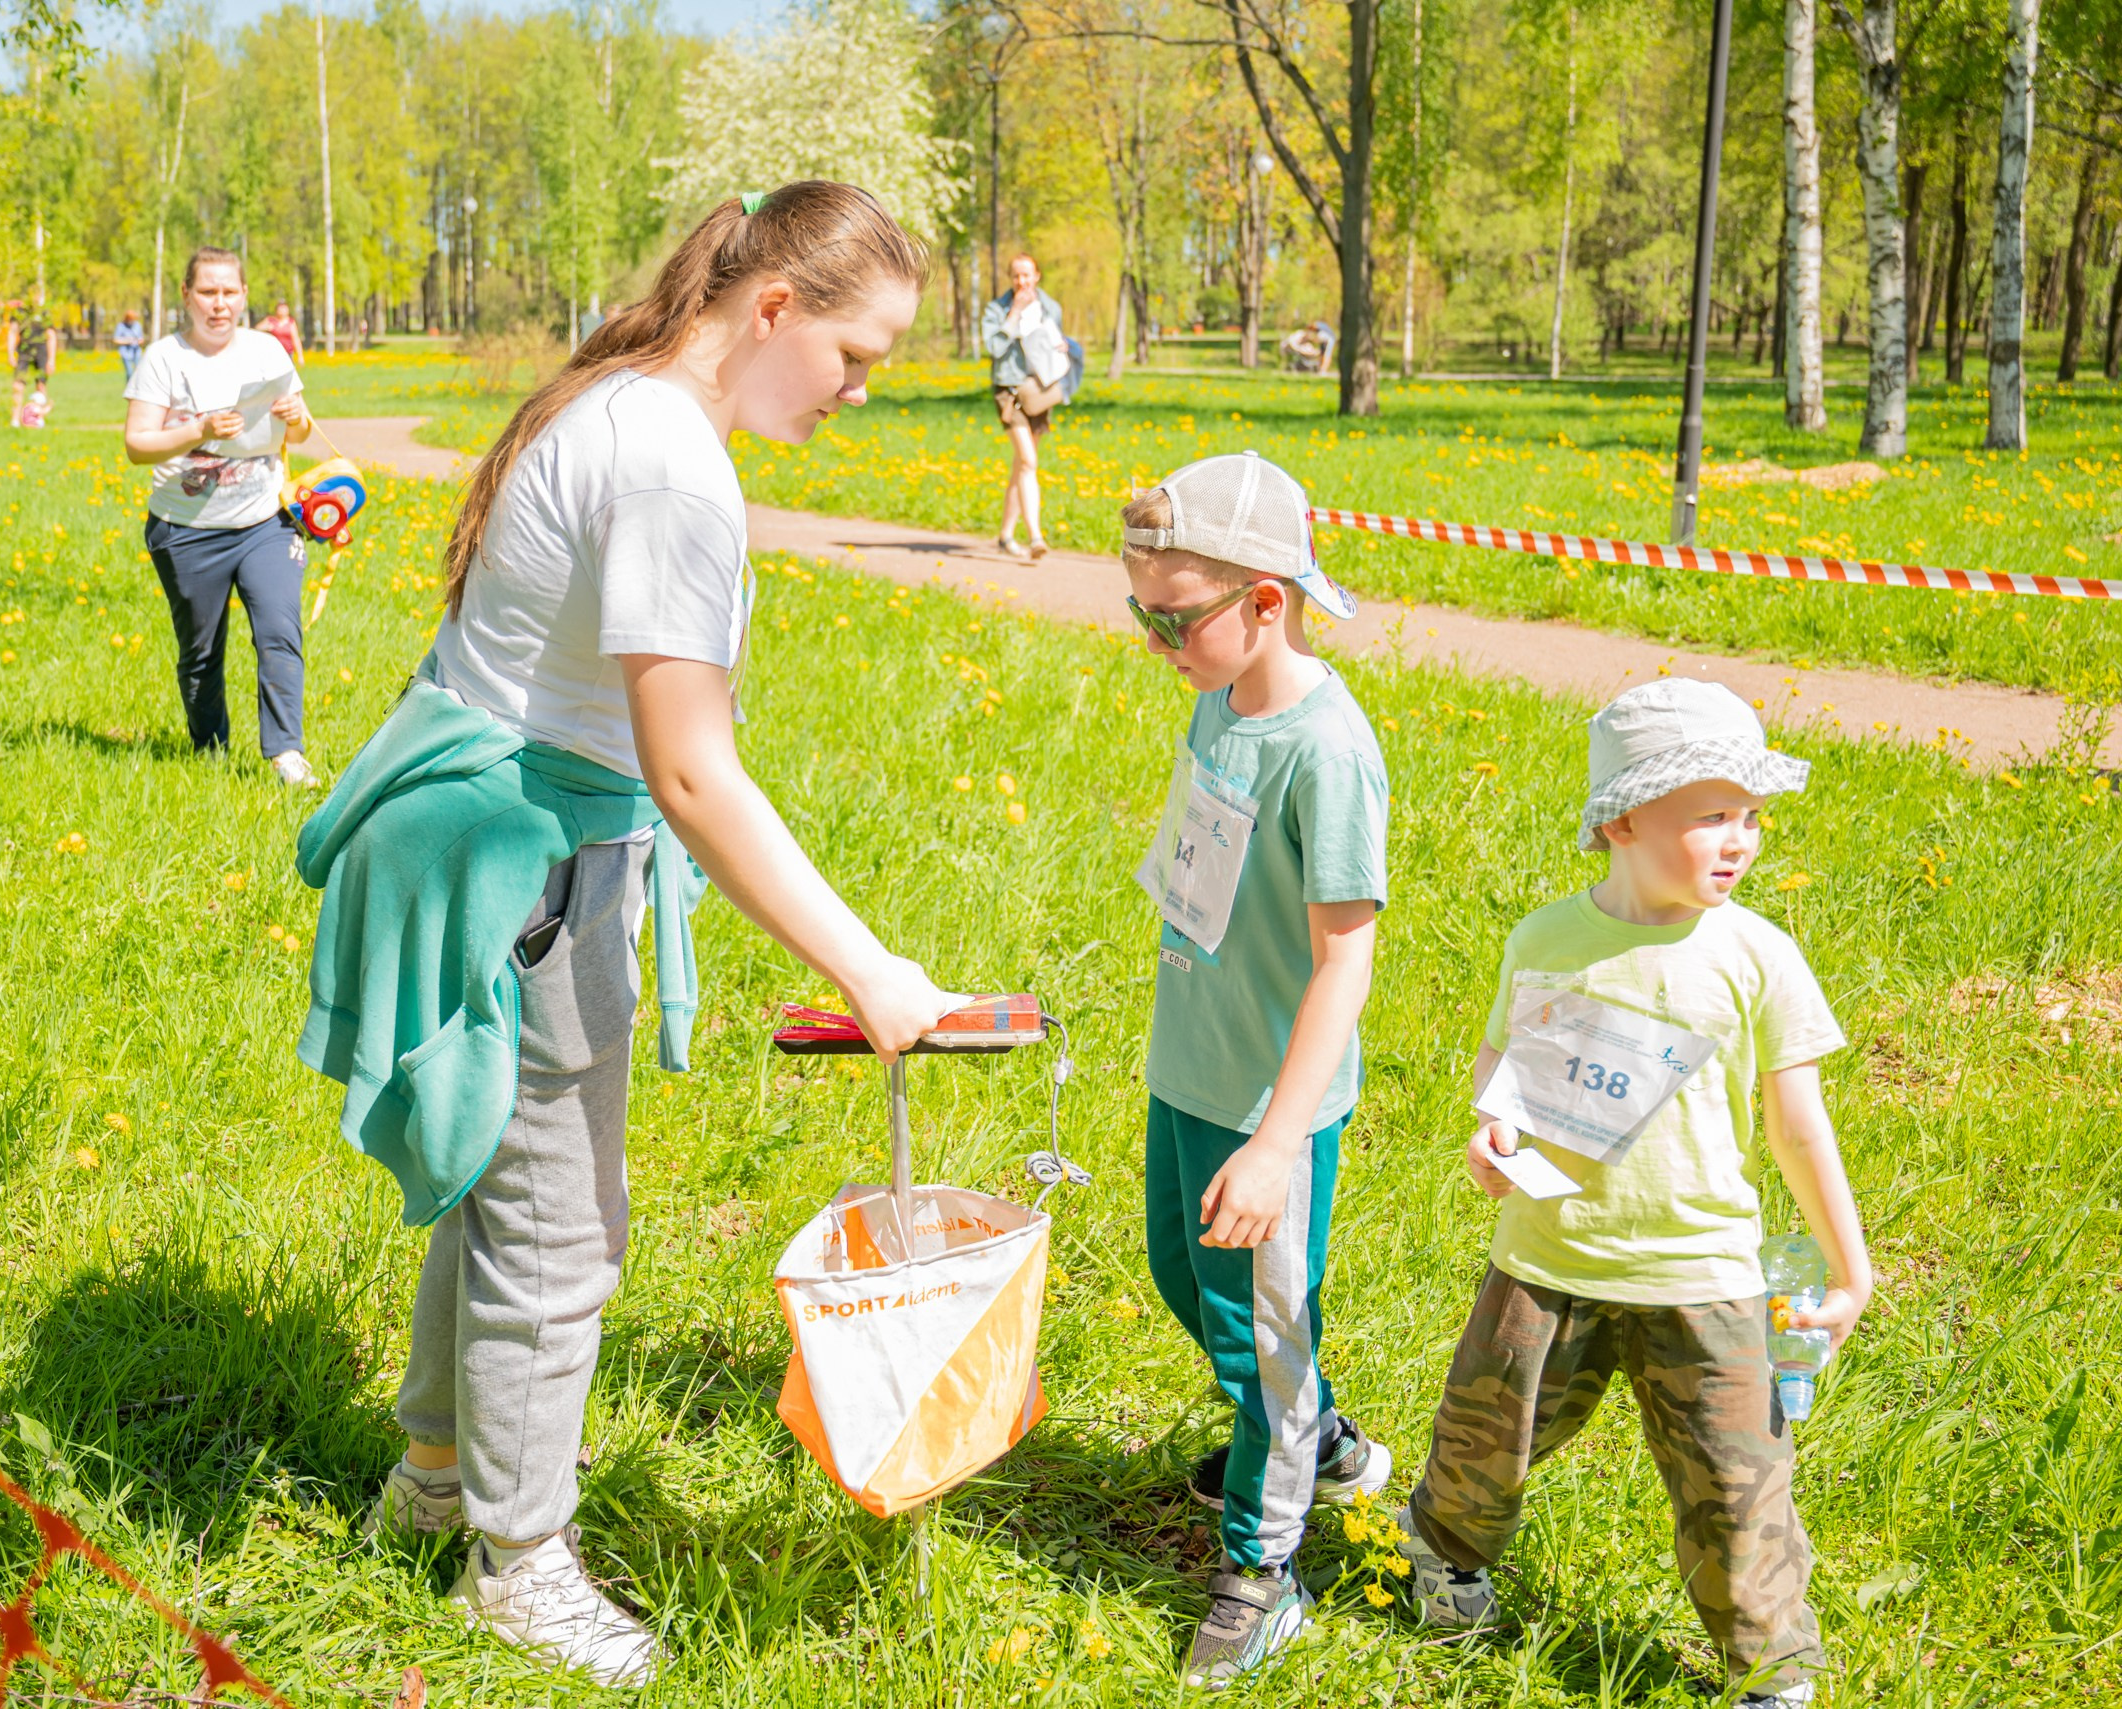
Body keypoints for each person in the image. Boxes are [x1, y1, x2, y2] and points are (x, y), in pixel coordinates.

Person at [299, 182, 958, 1690]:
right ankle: (517, 1567)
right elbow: (689, 772)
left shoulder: (623, 401)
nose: (861, 394)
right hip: (526, 860)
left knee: (493, 1181)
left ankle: (433, 1479)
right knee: (560, 1236)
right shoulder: (670, 465)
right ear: (774, 310)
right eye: (856, 356)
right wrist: (874, 972)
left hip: (484, 829)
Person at [1396, 678, 1874, 1709]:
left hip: (1705, 1277)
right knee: (1483, 1443)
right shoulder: (1545, 940)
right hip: (1543, 1260)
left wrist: (1849, 1265)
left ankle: (1768, 1672)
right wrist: (1491, 1135)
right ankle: (1444, 1563)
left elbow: (1798, 1125)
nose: (1739, 838)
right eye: (1709, 814)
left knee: (1738, 1492)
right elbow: (1504, 1076)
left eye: (1750, 815)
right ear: (1620, 818)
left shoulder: (1755, 956)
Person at [1117, 453, 1393, 1685]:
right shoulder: (1217, 695)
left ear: (1267, 599)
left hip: (1264, 1106)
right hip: (1190, 1069)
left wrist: (1277, 1144)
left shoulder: (1326, 750)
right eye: (1141, 611)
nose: (1155, 636)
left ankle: (1261, 1564)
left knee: (1265, 1337)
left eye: (1173, 617)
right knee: (1183, 1276)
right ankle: (1310, 1434)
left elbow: (1344, 963)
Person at [121, 247, 320, 788]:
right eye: (207, 292)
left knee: (279, 629)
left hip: (264, 522)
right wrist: (200, 430)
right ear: (186, 295)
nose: (219, 303)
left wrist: (296, 418)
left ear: (243, 296)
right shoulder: (165, 358)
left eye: (229, 292)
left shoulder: (267, 351)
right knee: (202, 652)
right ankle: (209, 752)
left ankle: (286, 756)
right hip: (186, 532)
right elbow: (137, 446)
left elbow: (298, 431)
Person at [980, 254, 1067, 560]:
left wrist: (1063, 347)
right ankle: (1035, 537)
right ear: (1010, 278)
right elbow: (992, 348)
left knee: (1021, 466)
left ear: (1037, 276)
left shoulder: (1050, 308)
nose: (1022, 281)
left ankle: (1005, 536)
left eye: (1027, 275)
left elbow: (1057, 343)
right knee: (1029, 461)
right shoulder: (997, 309)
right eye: (1017, 276)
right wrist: (1013, 314)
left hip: (1040, 390)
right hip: (1010, 391)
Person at [7, 306, 58, 428]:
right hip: (24, 353)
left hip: (41, 352)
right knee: (18, 386)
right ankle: (15, 420)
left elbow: (51, 336)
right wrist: (10, 353)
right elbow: (13, 332)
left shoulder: (44, 312)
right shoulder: (19, 312)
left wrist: (51, 359)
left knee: (41, 386)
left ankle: (37, 420)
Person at [112, 310, 145, 380]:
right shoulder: (121, 326)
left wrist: (137, 341)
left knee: (138, 372)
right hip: (125, 353)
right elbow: (115, 339)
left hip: (136, 352)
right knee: (129, 372)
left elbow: (141, 339)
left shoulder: (137, 325)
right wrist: (127, 341)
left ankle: (137, 389)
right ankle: (129, 388)